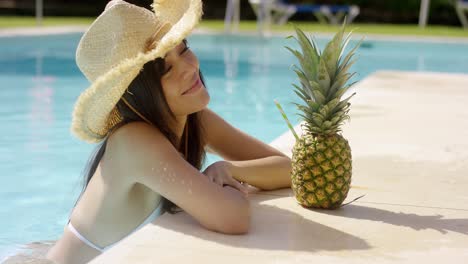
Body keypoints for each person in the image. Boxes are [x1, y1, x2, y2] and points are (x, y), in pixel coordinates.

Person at [46, 0, 291, 263]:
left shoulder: (195, 121)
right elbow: (232, 217)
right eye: (167, 69)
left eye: (184, 50)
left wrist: (231, 169)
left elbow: (288, 169)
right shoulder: (134, 141)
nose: (188, 67)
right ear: (138, 95)